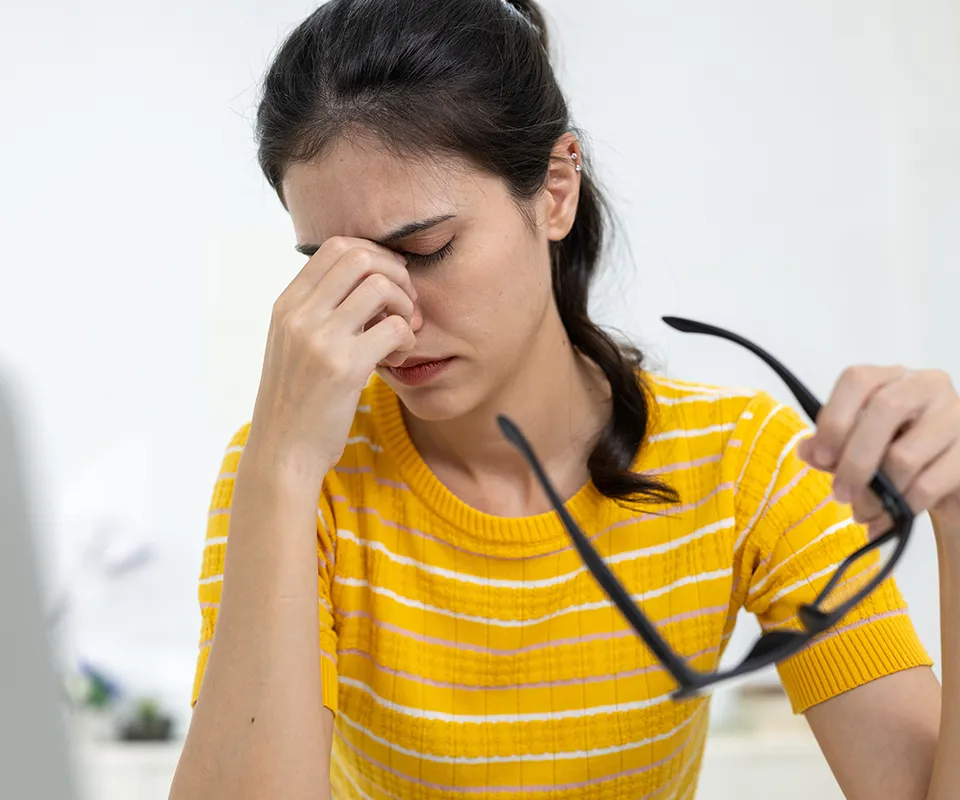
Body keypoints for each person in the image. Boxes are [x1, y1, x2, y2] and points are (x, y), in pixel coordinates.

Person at [169, 1, 960, 798]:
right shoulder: (294, 474)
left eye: (426, 249)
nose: (390, 321)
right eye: (335, 271)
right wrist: (281, 466)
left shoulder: (742, 461)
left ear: (555, 189)